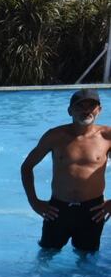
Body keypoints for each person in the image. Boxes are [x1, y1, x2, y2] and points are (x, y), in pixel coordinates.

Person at [21, 89, 111, 253]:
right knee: (46, 255)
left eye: (91, 106)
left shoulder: (107, 136)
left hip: (93, 211)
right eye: (80, 106)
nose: (86, 110)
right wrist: (34, 202)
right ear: (70, 110)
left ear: (99, 110)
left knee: (87, 259)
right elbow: (27, 166)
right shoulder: (55, 136)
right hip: (57, 210)